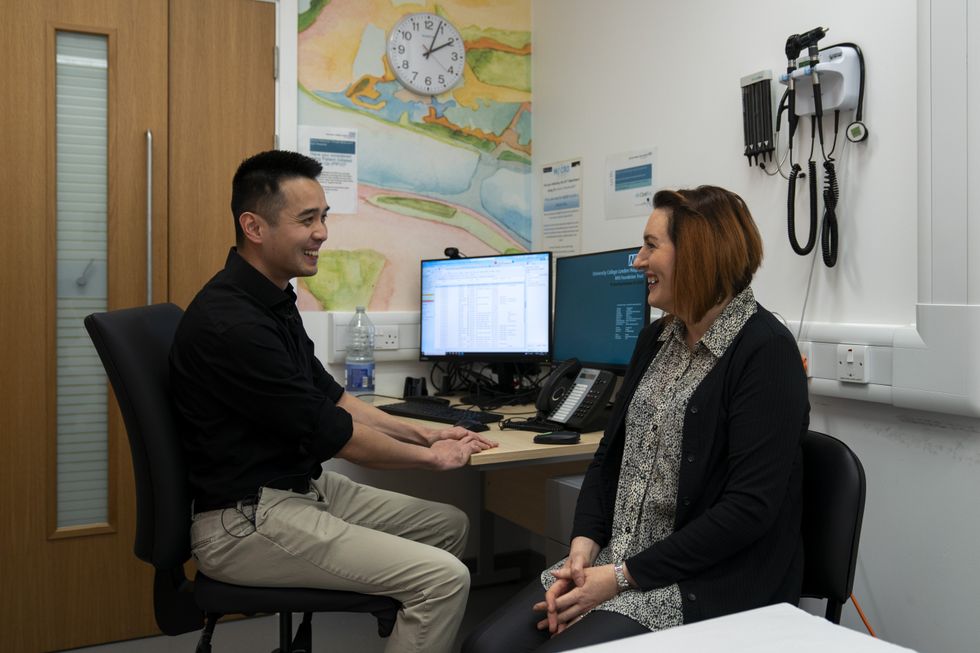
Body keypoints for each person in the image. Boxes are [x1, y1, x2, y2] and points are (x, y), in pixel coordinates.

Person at [170, 149, 498, 653]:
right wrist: (432, 459)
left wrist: (425, 431)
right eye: (307, 220)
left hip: (296, 490)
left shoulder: (272, 298)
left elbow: (332, 396)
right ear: (254, 227)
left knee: (448, 526)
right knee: (444, 579)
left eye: (323, 217)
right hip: (244, 522)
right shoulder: (232, 324)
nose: (322, 232)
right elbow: (335, 435)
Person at [463, 185, 809, 652]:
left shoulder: (765, 352)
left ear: (699, 253)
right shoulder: (656, 339)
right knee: (485, 646)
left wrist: (621, 578)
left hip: (700, 581)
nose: (638, 262)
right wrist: (583, 546)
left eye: (650, 246)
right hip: (616, 565)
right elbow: (609, 458)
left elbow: (748, 510)